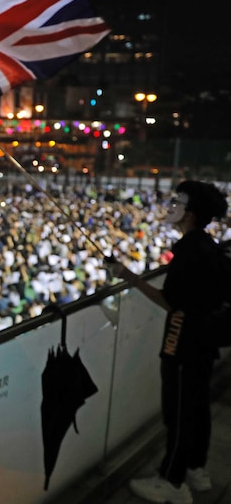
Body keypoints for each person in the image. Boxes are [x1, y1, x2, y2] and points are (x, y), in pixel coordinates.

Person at [111, 181, 228, 504]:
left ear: (189, 214)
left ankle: (172, 482)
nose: (170, 206)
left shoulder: (189, 251)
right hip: (204, 341)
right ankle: (195, 469)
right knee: (198, 407)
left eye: (176, 201)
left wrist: (128, 276)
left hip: (184, 341)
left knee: (178, 412)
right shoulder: (208, 245)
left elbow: (170, 301)